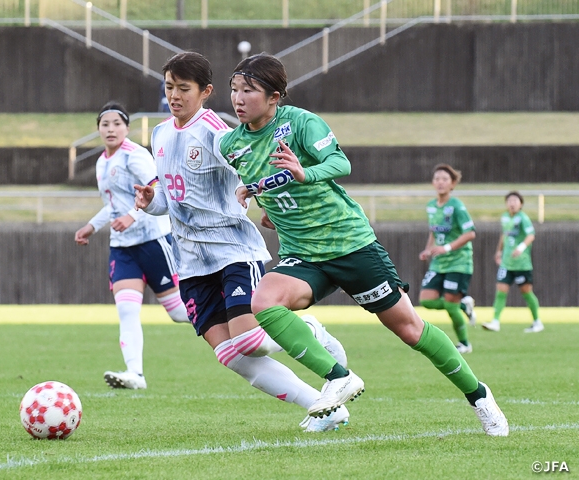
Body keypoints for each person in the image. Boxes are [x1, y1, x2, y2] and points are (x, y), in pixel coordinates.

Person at [222, 53, 508, 435]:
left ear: (275, 97)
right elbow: (271, 187)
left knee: (410, 330)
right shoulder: (231, 144)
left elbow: (340, 165)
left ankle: (479, 396)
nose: (239, 99)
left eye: (249, 90)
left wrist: (305, 173)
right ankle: (338, 376)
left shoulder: (301, 123)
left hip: (350, 244)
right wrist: (258, 199)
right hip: (302, 254)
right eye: (234, 90)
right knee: (263, 302)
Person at [134, 52, 349, 432]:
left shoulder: (218, 134)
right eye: (169, 87)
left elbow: (253, 175)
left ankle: (313, 332)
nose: (175, 96)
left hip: (233, 251)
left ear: (206, 92)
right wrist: (153, 203)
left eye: (184, 89)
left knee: (252, 341)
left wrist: (265, 203)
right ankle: (326, 408)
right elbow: (171, 198)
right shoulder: (160, 134)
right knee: (232, 355)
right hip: (191, 262)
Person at [75, 101, 190, 391]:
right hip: (123, 249)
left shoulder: (135, 156)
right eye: (105, 124)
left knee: (178, 313)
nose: (111, 128)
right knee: (127, 311)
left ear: (127, 128)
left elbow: (157, 191)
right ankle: (135, 374)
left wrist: (132, 215)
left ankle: (239, 320)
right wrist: (92, 226)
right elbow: (113, 206)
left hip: (153, 242)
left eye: (117, 123)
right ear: (99, 129)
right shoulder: (103, 162)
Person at [418, 164, 477, 354]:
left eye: (445, 179)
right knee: (426, 300)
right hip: (439, 263)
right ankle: (463, 304)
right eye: (437, 178)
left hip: (459, 262)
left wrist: (447, 248)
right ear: (432, 182)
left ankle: (465, 344)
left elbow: (470, 233)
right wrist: (428, 250)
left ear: (452, 184)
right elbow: (433, 232)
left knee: (450, 307)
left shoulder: (457, 206)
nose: (440, 182)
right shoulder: (431, 206)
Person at [482, 191, 543, 333]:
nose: (512, 203)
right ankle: (495, 322)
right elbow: (504, 235)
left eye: (515, 200)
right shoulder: (505, 217)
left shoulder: (523, 218)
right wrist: (499, 251)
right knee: (501, 290)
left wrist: (521, 248)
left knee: (526, 292)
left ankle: (537, 322)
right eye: (509, 200)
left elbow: (531, 235)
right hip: (506, 263)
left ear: (521, 204)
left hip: (521, 264)